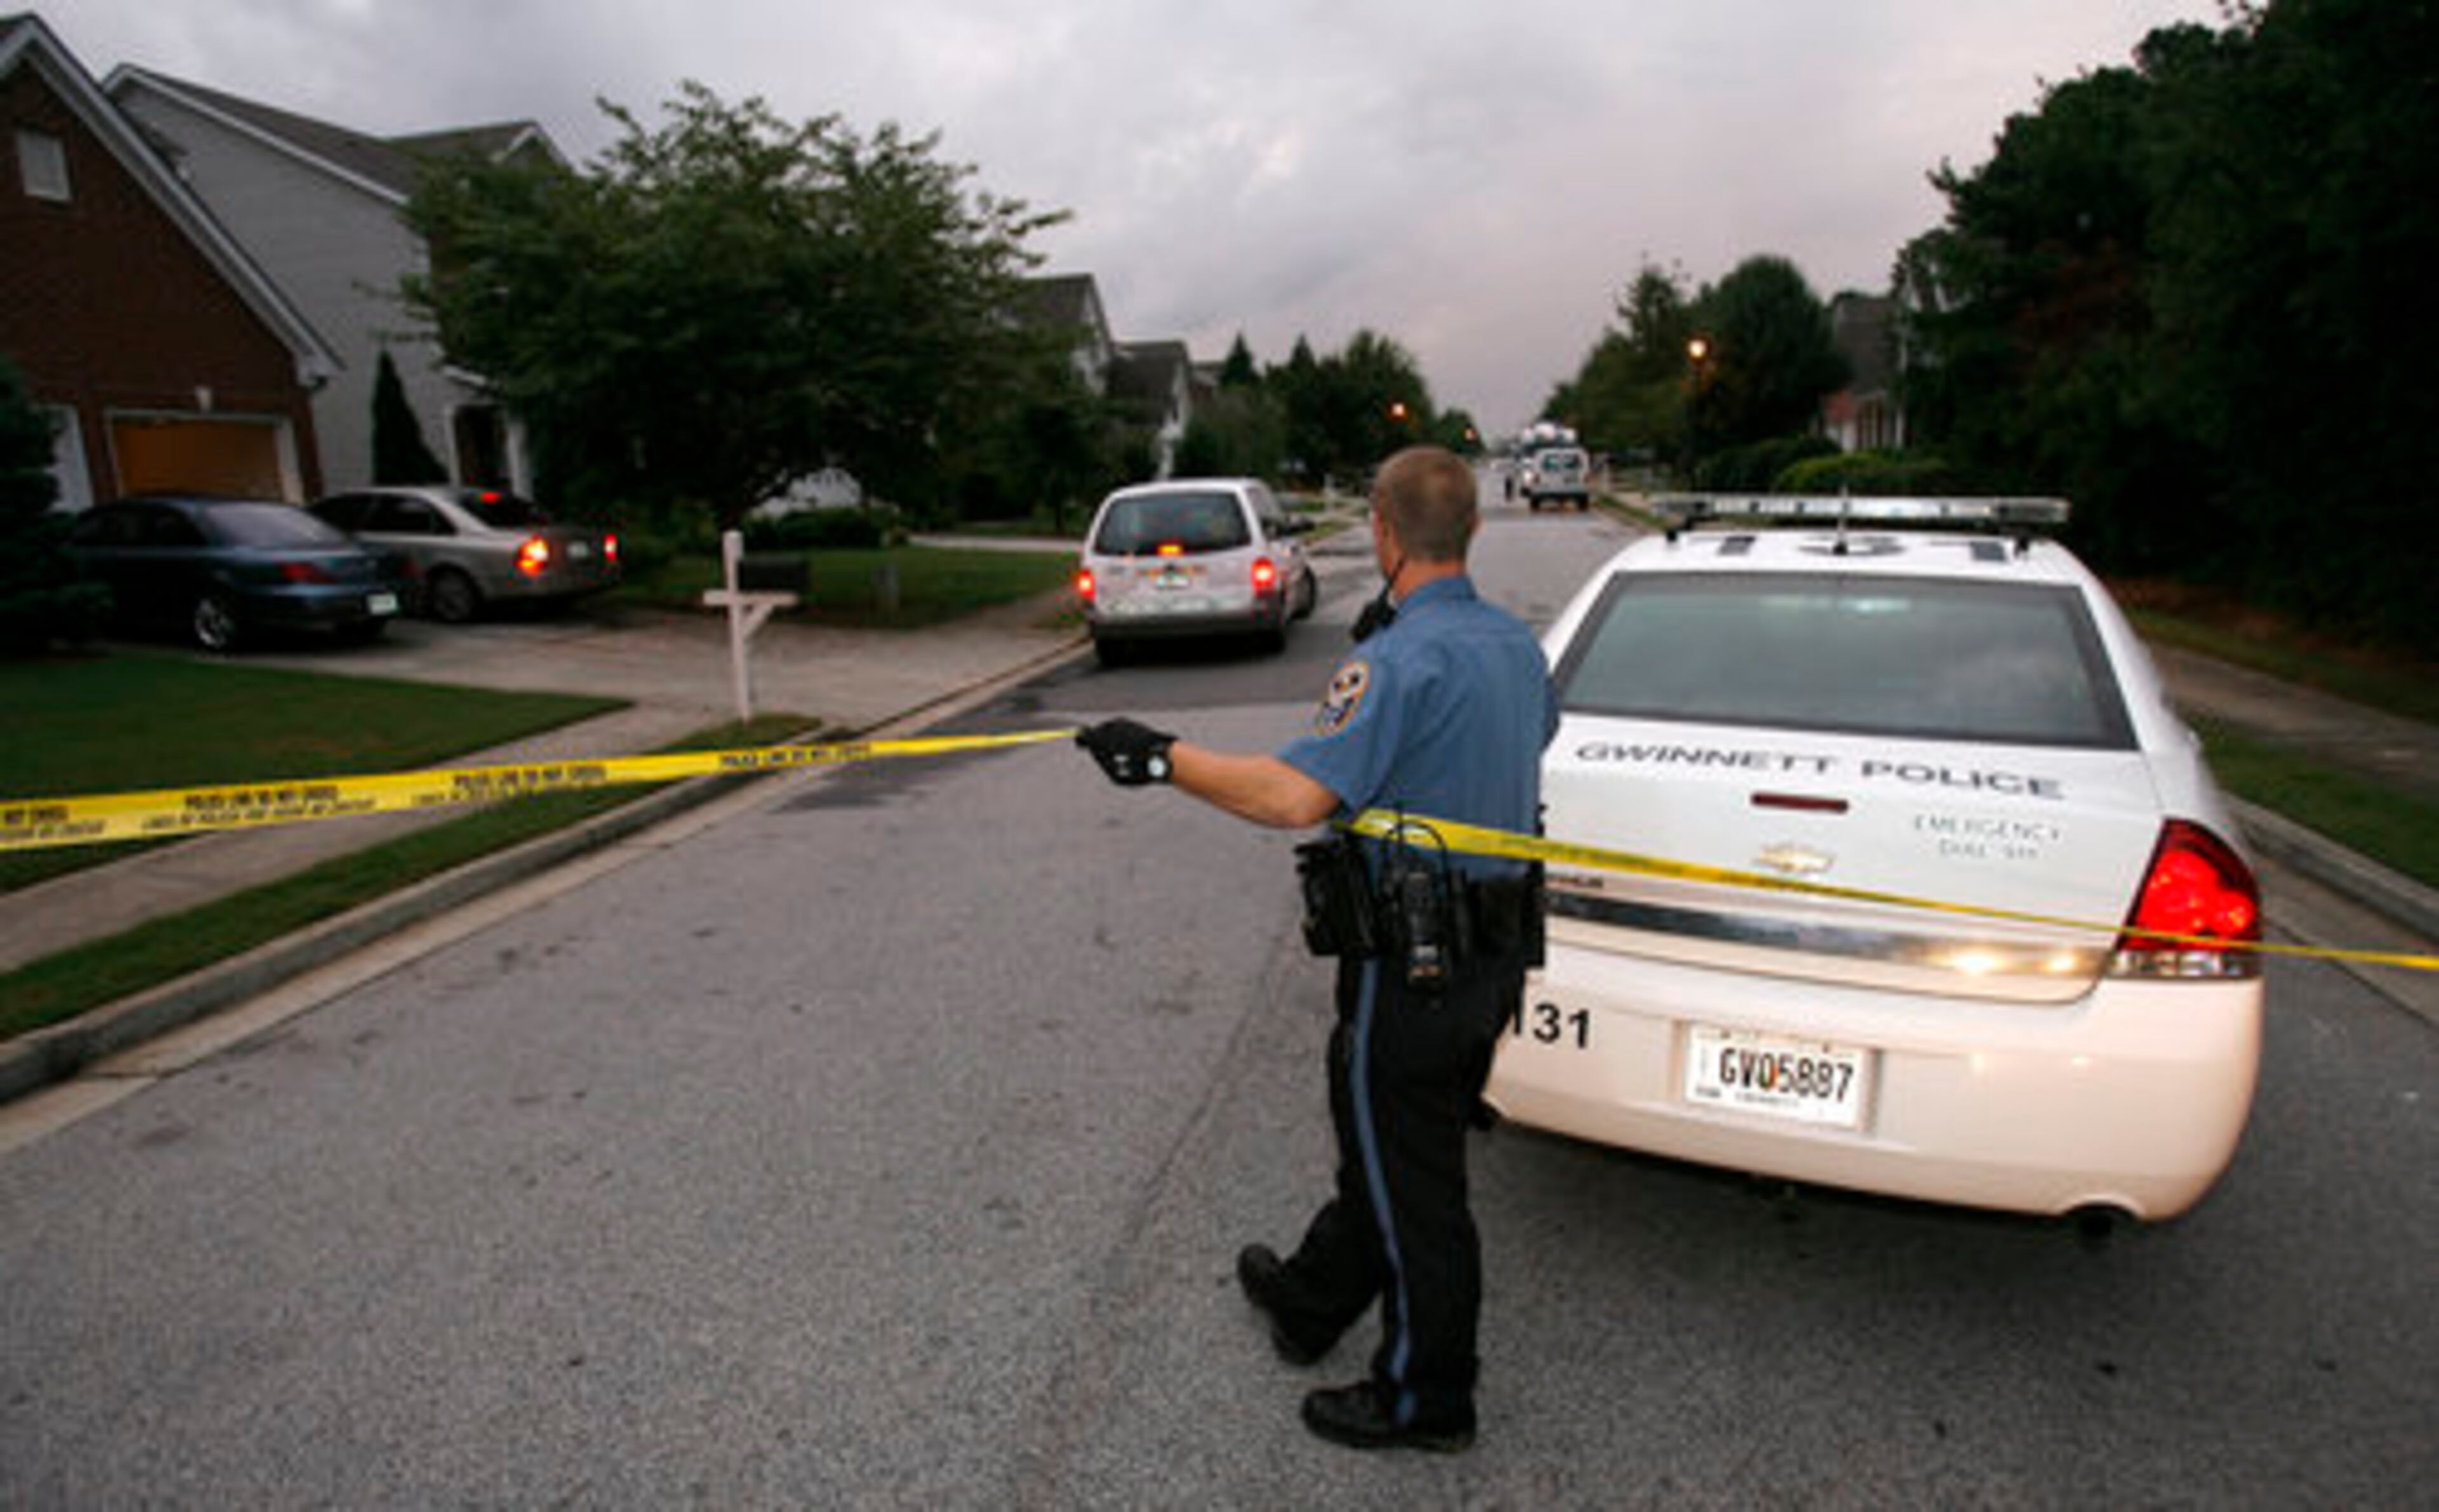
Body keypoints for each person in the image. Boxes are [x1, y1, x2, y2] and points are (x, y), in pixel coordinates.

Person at [1075, 444, 1557, 1453]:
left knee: (1416, 1185)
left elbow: (1296, 796)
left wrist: (1162, 757)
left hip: (1412, 964)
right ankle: (1308, 1298)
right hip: (1495, 958)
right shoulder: (1517, 648)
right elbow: (1524, 741)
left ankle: (1429, 1397)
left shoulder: (1391, 660)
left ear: (1382, 531)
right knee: (1391, 1141)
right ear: (1468, 528)